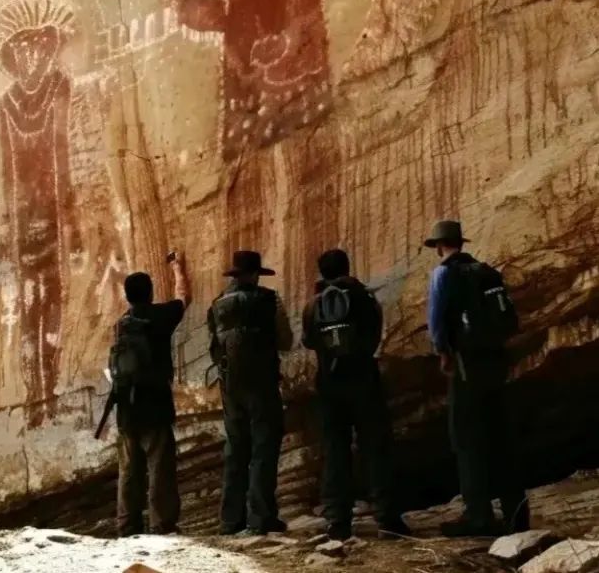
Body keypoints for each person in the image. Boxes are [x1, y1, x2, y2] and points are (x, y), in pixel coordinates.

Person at [425, 220, 528, 537]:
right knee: (501, 436)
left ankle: (478, 515)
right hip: (496, 362)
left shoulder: (443, 274)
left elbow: (436, 322)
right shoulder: (486, 271)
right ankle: (517, 513)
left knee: (467, 438)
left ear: (439, 246)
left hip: (466, 364)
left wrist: (443, 353)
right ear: (461, 242)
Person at [302, 249, 409, 540]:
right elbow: (375, 334)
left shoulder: (313, 304)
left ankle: (337, 521)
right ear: (347, 267)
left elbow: (308, 341)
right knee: (375, 447)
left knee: (335, 449)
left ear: (322, 272)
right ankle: (387, 519)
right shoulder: (364, 297)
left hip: (329, 383)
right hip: (364, 379)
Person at [208, 250, 293, 536]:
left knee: (235, 449)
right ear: (256, 274)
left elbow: (214, 348)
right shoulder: (268, 300)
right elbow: (285, 340)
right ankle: (261, 517)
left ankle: (230, 520)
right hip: (262, 383)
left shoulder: (217, 304)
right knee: (263, 448)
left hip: (230, 385)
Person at [111, 254, 191, 537]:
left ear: (127, 296)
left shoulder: (120, 324)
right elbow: (183, 298)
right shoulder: (160, 316)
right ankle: (162, 524)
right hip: (155, 405)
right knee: (159, 467)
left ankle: (127, 526)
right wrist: (177, 268)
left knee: (129, 471)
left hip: (126, 408)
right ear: (151, 292)